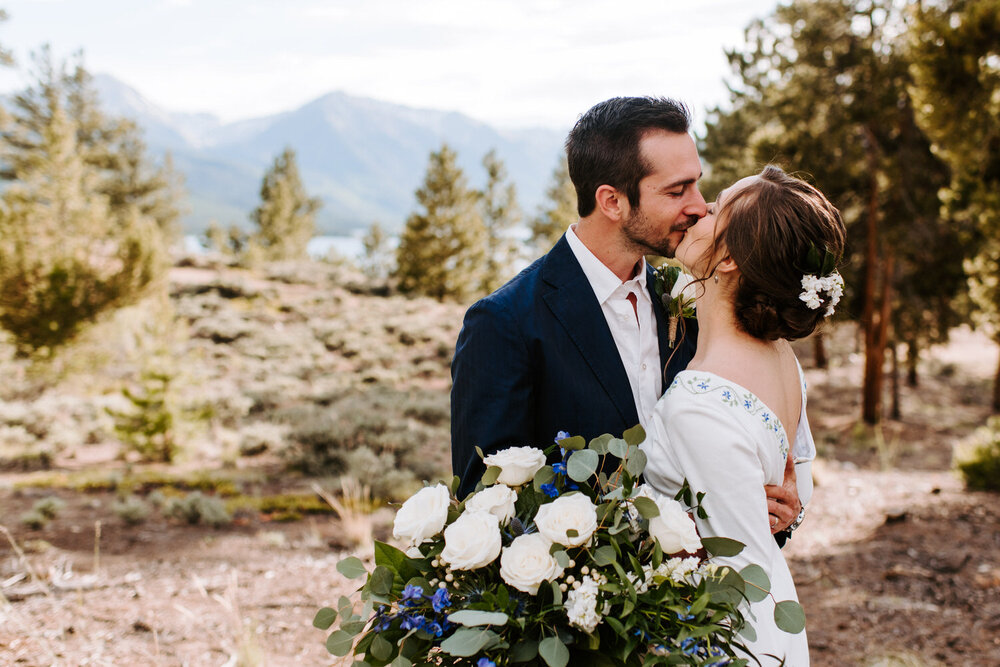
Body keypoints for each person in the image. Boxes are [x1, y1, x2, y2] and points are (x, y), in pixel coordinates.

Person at [450, 96, 804, 539]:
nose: (697, 206)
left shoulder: (696, 302)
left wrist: (779, 516)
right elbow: (484, 506)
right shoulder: (505, 322)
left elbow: (740, 482)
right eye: (677, 191)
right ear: (612, 202)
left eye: (697, 185)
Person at [641, 165, 847, 665]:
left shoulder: (700, 402)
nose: (698, 210)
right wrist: (783, 512)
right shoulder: (782, 361)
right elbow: (796, 486)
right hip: (770, 616)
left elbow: (737, 557)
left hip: (728, 639)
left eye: (715, 210)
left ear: (729, 258)